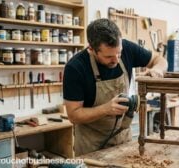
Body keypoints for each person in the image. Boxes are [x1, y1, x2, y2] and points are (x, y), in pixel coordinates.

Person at [63, 18, 167, 156]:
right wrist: (105, 109)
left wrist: (158, 70)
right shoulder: (75, 68)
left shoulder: (128, 48)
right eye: (109, 56)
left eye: (119, 53)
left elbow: (159, 60)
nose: (117, 60)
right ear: (91, 49)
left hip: (122, 138)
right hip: (92, 144)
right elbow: (73, 115)